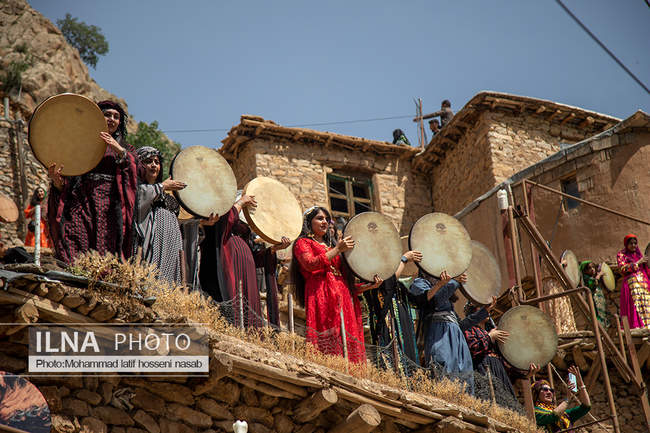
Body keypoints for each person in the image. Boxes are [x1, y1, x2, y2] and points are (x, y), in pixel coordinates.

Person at [47, 100, 138, 264]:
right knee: (75, 240)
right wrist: (56, 180)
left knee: (106, 252)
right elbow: (67, 179)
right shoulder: (79, 144)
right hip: (81, 202)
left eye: (116, 117)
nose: (111, 119)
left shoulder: (126, 148)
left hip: (110, 208)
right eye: (107, 115)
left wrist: (118, 150)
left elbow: (136, 171)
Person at [291, 206, 380, 363]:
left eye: (327, 219)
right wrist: (338, 249)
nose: (325, 222)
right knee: (328, 332)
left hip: (343, 297)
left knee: (346, 333)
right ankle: (331, 366)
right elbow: (310, 264)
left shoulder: (332, 247)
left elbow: (344, 281)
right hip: (321, 293)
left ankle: (350, 371)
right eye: (320, 218)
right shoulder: (302, 243)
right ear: (308, 222)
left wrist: (368, 286)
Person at [463, 299, 538, 412]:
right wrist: (489, 337)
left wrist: (525, 373)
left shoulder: (494, 332)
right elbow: (472, 350)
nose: (487, 310)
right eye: (481, 307)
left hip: (499, 375)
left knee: (507, 410)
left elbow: (505, 362)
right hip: (482, 370)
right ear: (473, 312)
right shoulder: (468, 329)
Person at [410, 269, 476, 393]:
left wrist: (484, 312)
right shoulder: (419, 283)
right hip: (438, 330)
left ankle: (465, 400)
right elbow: (435, 302)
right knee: (444, 366)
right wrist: (453, 282)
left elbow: (461, 324)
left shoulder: (446, 294)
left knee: (464, 371)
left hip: (456, 334)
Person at [134, 146, 186, 283]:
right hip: (149, 249)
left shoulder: (167, 197)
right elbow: (139, 200)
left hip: (170, 252)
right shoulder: (135, 189)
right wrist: (162, 186)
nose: (154, 165)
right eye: (148, 161)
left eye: (157, 162)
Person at [533, 366, 591, 432]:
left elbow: (586, 407)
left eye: (551, 390)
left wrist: (580, 383)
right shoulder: (535, 412)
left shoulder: (565, 415)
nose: (549, 392)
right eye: (545, 389)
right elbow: (553, 416)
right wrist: (567, 399)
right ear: (536, 394)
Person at [616, 234, 650, 329]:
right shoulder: (622, 255)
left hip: (644, 286)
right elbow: (623, 269)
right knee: (635, 307)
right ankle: (636, 327)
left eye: (635, 243)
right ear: (626, 244)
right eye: (631, 243)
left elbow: (647, 270)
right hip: (631, 286)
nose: (633, 245)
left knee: (646, 305)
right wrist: (637, 263)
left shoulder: (639, 255)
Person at [580, 261, 610, 328]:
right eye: (589, 268)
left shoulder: (593, 277)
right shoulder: (586, 278)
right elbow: (593, 283)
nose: (592, 269)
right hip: (593, 302)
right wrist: (599, 275)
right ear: (585, 271)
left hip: (599, 303)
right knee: (596, 318)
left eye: (593, 267)